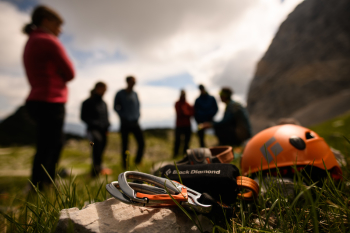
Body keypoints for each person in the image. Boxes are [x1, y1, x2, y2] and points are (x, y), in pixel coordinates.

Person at [23, 5, 75, 189]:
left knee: (45, 144)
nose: (60, 31)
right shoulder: (48, 41)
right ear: (46, 21)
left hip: (36, 98)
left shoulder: (31, 40)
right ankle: (43, 184)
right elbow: (70, 72)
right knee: (53, 145)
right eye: (58, 25)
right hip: (51, 99)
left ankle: (39, 183)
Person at [81, 82, 111, 177]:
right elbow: (83, 117)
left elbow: (106, 116)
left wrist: (107, 126)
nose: (104, 92)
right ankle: (94, 171)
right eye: (103, 89)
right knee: (96, 144)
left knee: (102, 147)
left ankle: (99, 167)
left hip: (104, 130)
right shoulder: (87, 102)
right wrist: (95, 123)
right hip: (93, 129)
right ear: (97, 88)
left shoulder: (104, 103)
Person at [114, 76, 145, 169]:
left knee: (142, 143)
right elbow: (116, 107)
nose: (134, 84)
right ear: (127, 82)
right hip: (125, 123)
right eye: (132, 82)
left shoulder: (135, 94)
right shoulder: (120, 93)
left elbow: (138, 105)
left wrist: (138, 115)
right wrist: (123, 116)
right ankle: (125, 165)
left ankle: (137, 161)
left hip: (135, 122)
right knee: (125, 145)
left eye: (135, 82)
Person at [173, 90, 194, 158]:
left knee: (187, 141)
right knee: (177, 141)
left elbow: (192, 113)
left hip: (187, 125)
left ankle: (185, 154)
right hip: (179, 125)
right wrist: (186, 112)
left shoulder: (188, 104)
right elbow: (179, 113)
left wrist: (185, 112)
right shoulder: (177, 103)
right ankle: (175, 154)